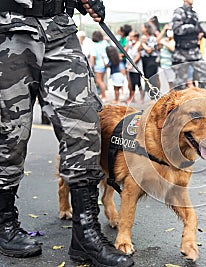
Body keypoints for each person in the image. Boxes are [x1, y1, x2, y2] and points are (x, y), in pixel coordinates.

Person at [0, 0, 134, 266]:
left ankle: (86, 235)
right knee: (9, 134)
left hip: (59, 29)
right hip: (7, 27)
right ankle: (4, 223)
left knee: (85, 128)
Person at [171, 0, 206, 90]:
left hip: (194, 51)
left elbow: (198, 29)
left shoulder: (194, 13)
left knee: (204, 78)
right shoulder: (179, 12)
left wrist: (201, 33)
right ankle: (178, 103)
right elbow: (177, 29)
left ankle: (203, 101)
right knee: (180, 84)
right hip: (182, 52)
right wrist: (193, 28)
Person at [140, 22, 160, 100]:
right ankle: (150, 96)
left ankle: (154, 97)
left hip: (151, 60)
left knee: (152, 79)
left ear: (147, 29)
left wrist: (143, 43)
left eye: (142, 27)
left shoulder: (153, 38)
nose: (141, 29)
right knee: (146, 78)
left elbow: (149, 50)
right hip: (144, 60)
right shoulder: (143, 38)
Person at [90, 30, 110, 101]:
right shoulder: (105, 43)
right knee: (102, 80)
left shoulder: (94, 45)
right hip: (105, 63)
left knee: (99, 81)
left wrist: (91, 65)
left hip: (98, 65)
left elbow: (93, 56)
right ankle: (103, 94)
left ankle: (104, 96)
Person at [126, 30, 144, 104]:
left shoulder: (139, 44)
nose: (130, 37)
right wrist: (128, 42)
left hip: (136, 67)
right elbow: (124, 50)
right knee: (131, 83)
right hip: (129, 67)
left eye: (131, 36)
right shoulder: (130, 43)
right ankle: (132, 98)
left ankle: (141, 98)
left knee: (138, 82)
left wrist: (132, 64)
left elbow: (138, 56)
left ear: (136, 37)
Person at [157, 24, 176, 91]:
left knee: (173, 83)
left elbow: (172, 49)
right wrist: (163, 30)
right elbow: (157, 40)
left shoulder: (174, 41)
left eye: (170, 30)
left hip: (170, 65)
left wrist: (164, 43)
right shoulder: (166, 39)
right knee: (169, 83)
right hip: (164, 65)